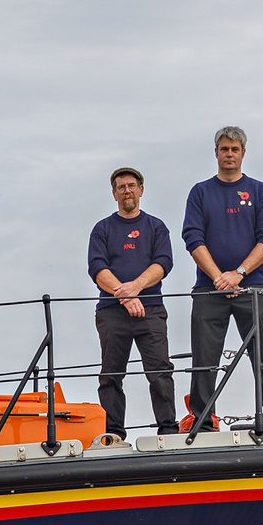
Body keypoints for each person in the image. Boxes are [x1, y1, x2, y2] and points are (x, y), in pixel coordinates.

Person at [180, 125, 263, 429]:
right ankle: (202, 417)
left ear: (243, 153)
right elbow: (192, 237)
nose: (229, 154)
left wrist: (238, 273)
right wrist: (218, 278)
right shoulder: (201, 192)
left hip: (251, 286)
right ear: (216, 153)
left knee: (262, 350)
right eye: (224, 149)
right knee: (204, 355)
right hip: (208, 288)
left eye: (234, 149)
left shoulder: (258, 191)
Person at [88, 165, 179, 438]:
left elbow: (164, 263)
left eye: (131, 186)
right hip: (111, 312)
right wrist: (125, 296)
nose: (127, 191)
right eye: (121, 187)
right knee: (111, 375)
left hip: (150, 309)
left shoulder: (156, 227)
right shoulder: (102, 229)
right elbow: (96, 268)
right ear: (114, 194)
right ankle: (113, 433)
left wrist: (136, 288)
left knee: (160, 371)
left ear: (141, 190)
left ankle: (168, 431)